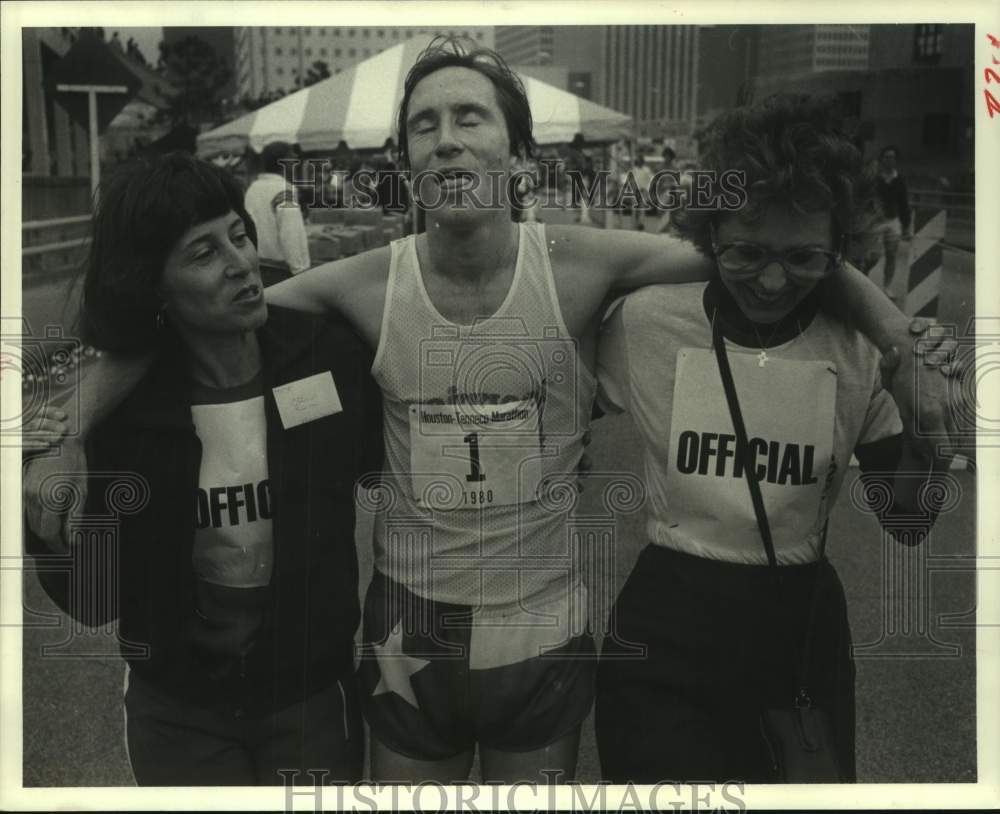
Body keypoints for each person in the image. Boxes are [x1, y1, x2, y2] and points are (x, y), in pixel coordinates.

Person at [24, 37, 957, 785]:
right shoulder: (358, 285)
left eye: (470, 115)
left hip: (540, 631)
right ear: (405, 162)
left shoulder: (589, 263)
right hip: (412, 634)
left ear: (518, 150)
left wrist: (898, 342)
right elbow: (179, 311)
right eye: (423, 125)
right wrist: (65, 434)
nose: (446, 138)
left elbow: (762, 244)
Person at [593, 95, 950, 784]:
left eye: (805, 258)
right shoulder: (644, 323)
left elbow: (908, 522)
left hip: (798, 629)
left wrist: (929, 437)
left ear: (840, 253)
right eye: (748, 252)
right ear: (711, 235)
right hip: (668, 622)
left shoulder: (860, 350)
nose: (774, 280)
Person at [24, 152, 381, 786]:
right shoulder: (124, 417)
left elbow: (391, 470)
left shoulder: (326, 358)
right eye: (202, 253)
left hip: (309, 699)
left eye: (238, 235)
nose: (240, 262)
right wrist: (48, 531)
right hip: (179, 715)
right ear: (152, 285)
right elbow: (92, 601)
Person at [244, 141, 311, 286]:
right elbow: (291, 234)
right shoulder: (284, 190)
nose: (296, 164)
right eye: (293, 159)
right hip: (281, 272)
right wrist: (301, 272)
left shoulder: (253, 189)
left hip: (257, 268)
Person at [874, 145, 913, 303]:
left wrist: (906, 226)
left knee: (891, 255)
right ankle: (865, 286)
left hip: (893, 221)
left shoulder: (900, 180)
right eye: (886, 157)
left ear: (896, 160)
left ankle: (887, 286)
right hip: (875, 221)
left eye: (892, 157)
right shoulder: (875, 178)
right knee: (872, 255)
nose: (889, 160)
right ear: (882, 159)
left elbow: (904, 204)